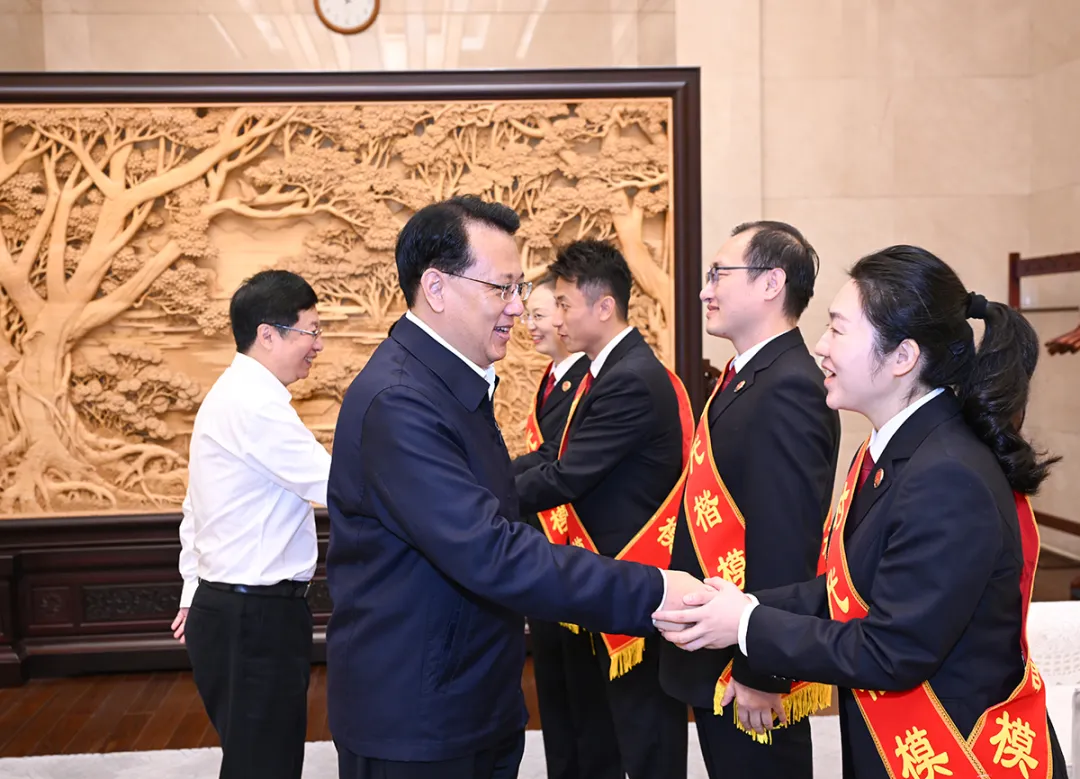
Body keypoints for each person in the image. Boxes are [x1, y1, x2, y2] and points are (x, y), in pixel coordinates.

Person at [324, 196, 706, 779]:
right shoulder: (400, 401)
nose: (518, 307)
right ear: (437, 287)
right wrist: (652, 590)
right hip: (418, 718)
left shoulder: (448, 383)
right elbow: (491, 550)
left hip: (466, 695)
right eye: (502, 288)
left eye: (519, 288)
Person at [654, 245, 1069, 779]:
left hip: (957, 753)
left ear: (902, 357)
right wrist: (742, 604)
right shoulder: (895, 451)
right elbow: (847, 590)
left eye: (838, 329)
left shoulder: (947, 475)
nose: (821, 346)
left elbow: (892, 650)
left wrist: (747, 625)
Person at [657, 222, 840, 778]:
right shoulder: (747, 376)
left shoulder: (789, 385)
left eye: (718, 275)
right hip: (721, 642)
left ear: (771, 283)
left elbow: (786, 538)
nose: (704, 291)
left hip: (748, 659)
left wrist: (762, 668)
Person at [513, 239, 694, 779]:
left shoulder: (629, 379)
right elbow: (553, 454)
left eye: (564, 305)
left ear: (604, 306)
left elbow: (568, 475)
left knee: (644, 733)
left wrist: (481, 497)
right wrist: (483, 476)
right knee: (607, 729)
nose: (558, 318)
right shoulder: (605, 371)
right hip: (606, 573)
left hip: (635, 571)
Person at [173, 269, 331, 779]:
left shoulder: (234, 393)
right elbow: (336, 484)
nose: (318, 345)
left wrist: (194, 590)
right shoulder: (256, 405)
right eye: (310, 331)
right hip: (255, 617)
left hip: (231, 609)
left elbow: (195, 508)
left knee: (254, 759)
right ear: (268, 334)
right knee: (264, 765)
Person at [519, 275, 621, 779]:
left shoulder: (588, 380)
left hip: (576, 548)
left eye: (543, 313)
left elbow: (559, 466)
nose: (533, 325)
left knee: (584, 695)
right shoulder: (553, 377)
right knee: (555, 687)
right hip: (545, 547)